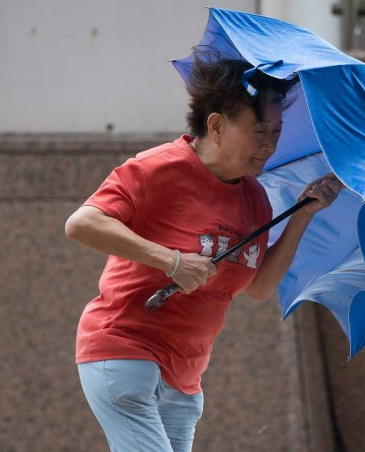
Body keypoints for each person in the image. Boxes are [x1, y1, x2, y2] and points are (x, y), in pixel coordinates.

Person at [64, 49, 342, 452]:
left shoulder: (256, 200)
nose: (269, 144)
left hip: (186, 378)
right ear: (216, 125)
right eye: (259, 130)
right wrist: (170, 260)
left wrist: (303, 215)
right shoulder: (158, 168)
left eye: (276, 132)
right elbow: (82, 224)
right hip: (124, 350)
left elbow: (259, 287)